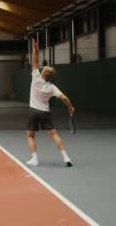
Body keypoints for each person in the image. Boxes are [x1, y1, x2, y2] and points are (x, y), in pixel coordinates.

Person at [27, 38, 75, 167]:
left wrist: (35, 48)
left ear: (42, 74)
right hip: (45, 113)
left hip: (33, 112)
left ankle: (34, 159)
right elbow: (64, 98)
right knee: (54, 135)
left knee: (30, 136)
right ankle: (66, 157)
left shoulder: (36, 77)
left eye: (42, 70)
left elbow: (35, 60)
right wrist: (70, 107)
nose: (41, 70)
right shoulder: (52, 87)